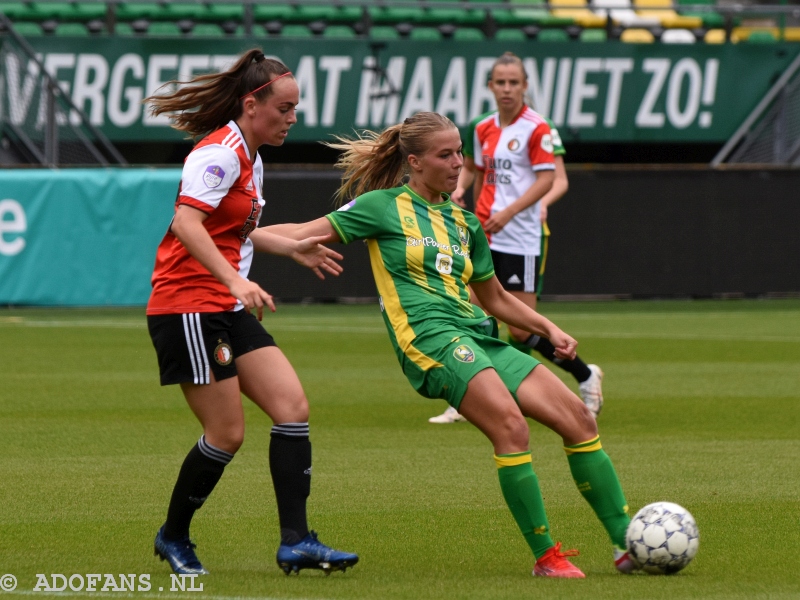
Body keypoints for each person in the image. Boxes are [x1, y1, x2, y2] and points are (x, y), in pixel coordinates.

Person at [263, 112, 635, 577]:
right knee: (510, 426)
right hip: (430, 340)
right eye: (446, 155)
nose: (459, 162)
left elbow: (495, 296)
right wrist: (233, 238)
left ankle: (628, 545)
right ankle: (547, 558)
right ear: (414, 162)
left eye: (460, 151)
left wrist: (548, 328)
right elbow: (300, 233)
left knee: (578, 420)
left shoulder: (464, 221)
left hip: (480, 336)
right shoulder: (381, 206)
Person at [143, 48, 358, 576]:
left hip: (222, 302)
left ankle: (296, 542)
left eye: (296, 109)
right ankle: (173, 535)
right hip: (187, 307)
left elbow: (235, 229)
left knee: (292, 407)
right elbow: (186, 225)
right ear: (251, 103)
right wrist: (238, 278)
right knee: (227, 434)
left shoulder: (251, 156)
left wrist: (291, 246)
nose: (292, 118)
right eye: (284, 108)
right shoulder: (217, 154)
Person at [429, 52, 603, 425]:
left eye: (514, 82)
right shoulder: (480, 127)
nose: (507, 88)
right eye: (500, 82)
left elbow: (547, 180)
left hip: (521, 238)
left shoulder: (537, 127)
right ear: (490, 86)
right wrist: (458, 192)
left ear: (524, 86)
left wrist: (509, 213)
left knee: (522, 330)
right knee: (465, 310)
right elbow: (473, 171)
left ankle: (585, 375)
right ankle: (468, 394)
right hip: (482, 236)